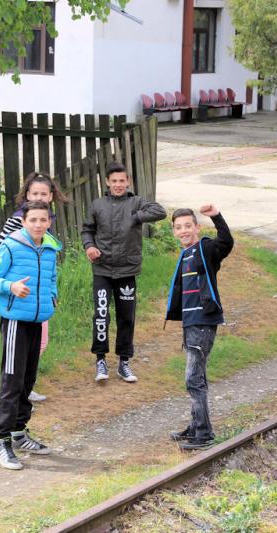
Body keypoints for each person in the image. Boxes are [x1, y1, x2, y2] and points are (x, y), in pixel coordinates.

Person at [0, 201, 62, 470]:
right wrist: (11, 286)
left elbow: (51, 278)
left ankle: (19, 433)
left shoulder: (50, 248)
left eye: (43, 220)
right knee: (12, 381)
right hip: (15, 320)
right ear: (24, 221)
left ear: (49, 221)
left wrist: (51, 296)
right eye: (33, 220)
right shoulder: (11, 246)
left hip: (37, 321)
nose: (38, 224)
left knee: (28, 379)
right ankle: (2, 441)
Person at [81, 161, 166, 383]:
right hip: (102, 269)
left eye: (122, 180)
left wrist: (137, 217)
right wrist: (89, 246)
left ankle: (124, 363)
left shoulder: (136, 202)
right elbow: (87, 230)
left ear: (128, 181)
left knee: (126, 317)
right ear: (107, 182)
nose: (118, 184)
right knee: (101, 315)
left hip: (127, 270)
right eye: (114, 181)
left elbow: (160, 211)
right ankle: (100, 360)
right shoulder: (97, 204)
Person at [0, 172, 69, 403]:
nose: (39, 197)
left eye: (43, 194)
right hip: (21, 294)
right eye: (35, 193)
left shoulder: (45, 218)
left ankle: (24, 387)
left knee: (40, 342)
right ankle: (15, 391)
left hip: (39, 295)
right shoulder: (20, 219)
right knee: (20, 350)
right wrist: (13, 280)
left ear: (51, 196)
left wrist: (51, 291)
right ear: (26, 195)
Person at [165, 204, 234, 450]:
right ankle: (196, 425)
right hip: (191, 323)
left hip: (203, 323)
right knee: (197, 376)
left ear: (197, 227)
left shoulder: (205, 249)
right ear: (174, 231)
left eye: (188, 226)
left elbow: (226, 242)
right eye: (178, 227)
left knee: (193, 378)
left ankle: (204, 434)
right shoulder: (185, 255)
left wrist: (217, 215)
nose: (183, 231)